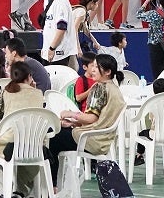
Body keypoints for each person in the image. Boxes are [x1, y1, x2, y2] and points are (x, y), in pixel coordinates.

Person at [45, 53, 126, 184]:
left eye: (96, 67)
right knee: (59, 132)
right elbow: (99, 119)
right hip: (103, 138)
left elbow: (91, 119)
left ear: (107, 72)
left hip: (91, 139)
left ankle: (52, 184)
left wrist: (70, 114)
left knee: (51, 137)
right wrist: (73, 123)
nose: (93, 70)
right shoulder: (114, 88)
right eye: (92, 66)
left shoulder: (99, 88)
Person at [0, 60, 46, 196]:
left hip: (9, 146)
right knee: (26, 163)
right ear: (29, 77)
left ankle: (6, 192)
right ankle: (20, 191)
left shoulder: (6, 93)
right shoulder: (39, 94)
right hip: (34, 147)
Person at [38, 0, 78, 69]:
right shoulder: (47, 0)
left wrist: (52, 47)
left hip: (60, 52)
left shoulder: (61, 2)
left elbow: (61, 28)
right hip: (48, 50)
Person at [137, 0, 164, 79]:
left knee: (158, 74)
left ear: (160, 1)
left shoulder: (153, 14)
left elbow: (139, 14)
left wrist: (147, 1)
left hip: (156, 45)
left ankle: (160, 92)